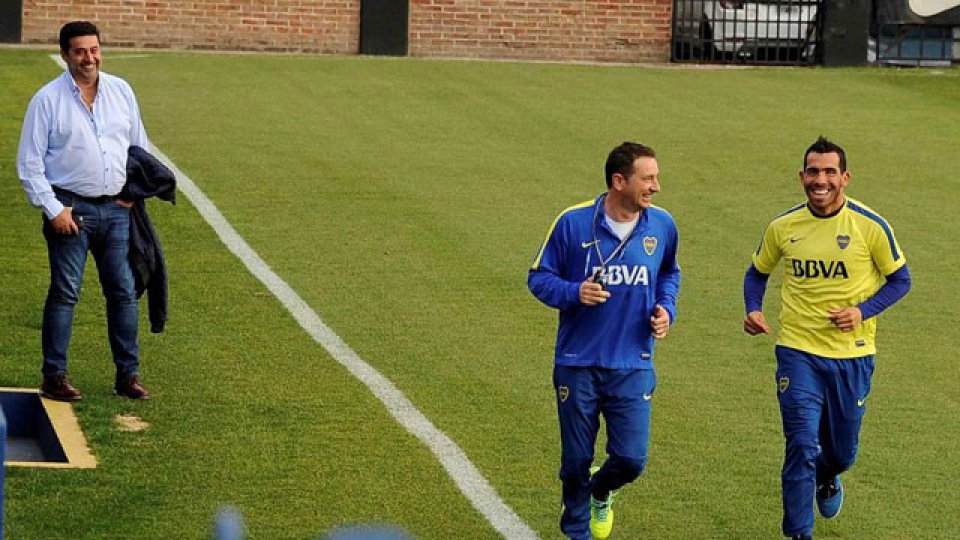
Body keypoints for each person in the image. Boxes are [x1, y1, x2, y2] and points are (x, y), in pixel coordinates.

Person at [743, 136, 911, 539]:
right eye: (813, 172)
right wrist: (753, 307)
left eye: (829, 172)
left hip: (853, 355)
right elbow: (757, 272)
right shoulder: (783, 226)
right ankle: (799, 533)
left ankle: (829, 476)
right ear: (802, 176)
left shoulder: (870, 226)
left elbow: (901, 280)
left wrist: (861, 311)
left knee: (840, 452)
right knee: (800, 444)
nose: (821, 180)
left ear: (845, 177)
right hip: (797, 350)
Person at [528, 142, 681, 539]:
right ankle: (576, 529)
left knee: (631, 460)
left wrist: (666, 310)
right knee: (576, 459)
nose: (656, 187)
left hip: (633, 363)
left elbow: (669, 274)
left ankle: (602, 490)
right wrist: (574, 292)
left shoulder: (662, 225)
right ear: (619, 181)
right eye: (647, 179)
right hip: (578, 362)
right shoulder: (573, 223)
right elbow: (538, 278)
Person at [16, 21, 151, 401]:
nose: (89, 58)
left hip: (117, 212)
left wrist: (131, 194)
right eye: (80, 51)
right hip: (70, 212)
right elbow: (29, 164)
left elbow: (139, 149)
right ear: (65, 55)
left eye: (94, 50)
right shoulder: (46, 100)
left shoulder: (122, 91)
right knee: (65, 293)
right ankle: (54, 377)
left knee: (123, 293)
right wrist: (54, 210)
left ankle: (128, 376)